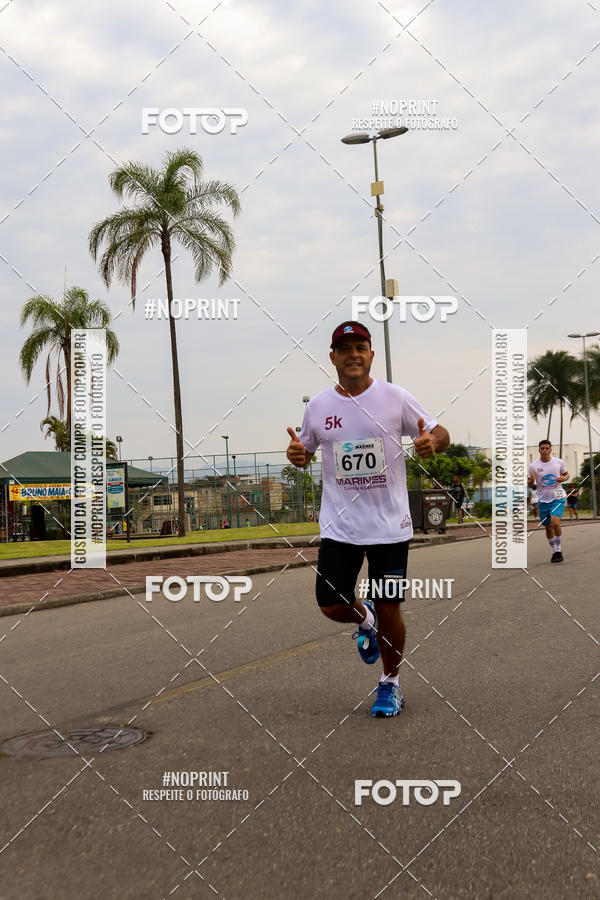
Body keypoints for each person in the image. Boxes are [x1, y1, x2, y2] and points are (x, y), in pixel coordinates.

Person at [285, 321, 449, 717]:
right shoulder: (318, 406)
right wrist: (297, 454)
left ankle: (390, 683)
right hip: (340, 526)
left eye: (360, 347)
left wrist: (433, 441)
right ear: (333, 358)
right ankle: (365, 618)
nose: (353, 355)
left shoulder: (395, 397)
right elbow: (304, 450)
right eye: (345, 349)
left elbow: (440, 432)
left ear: (371, 354)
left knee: (390, 606)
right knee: (331, 605)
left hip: (389, 527)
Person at [527, 439, 569, 563]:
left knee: (555, 522)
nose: (545, 450)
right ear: (539, 450)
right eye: (542, 448)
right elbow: (530, 485)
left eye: (547, 448)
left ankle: (558, 550)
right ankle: (554, 551)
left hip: (557, 495)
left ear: (550, 450)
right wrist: (531, 480)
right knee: (548, 528)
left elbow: (566, 474)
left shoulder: (558, 462)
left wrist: (563, 478)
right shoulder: (533, 466)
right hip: (543, 498)